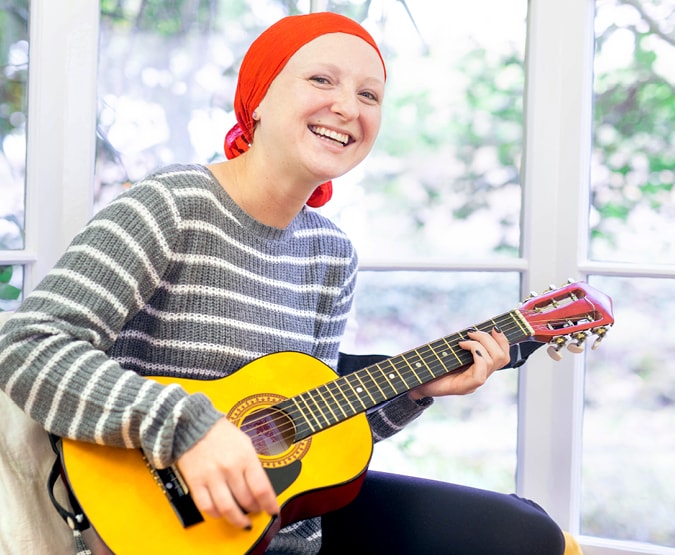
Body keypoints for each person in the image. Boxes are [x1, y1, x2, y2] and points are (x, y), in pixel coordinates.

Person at [0, 12, 566, 555]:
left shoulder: (331, 253)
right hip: (151, 520)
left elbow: (306, 430)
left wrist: (416, 391)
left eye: (370, 95)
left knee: (525, 533)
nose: (348, 107)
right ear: (259, 98)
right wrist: (187, 427)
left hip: (282, 526)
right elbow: (28, 346)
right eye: (322, 79)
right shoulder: (170, 206)